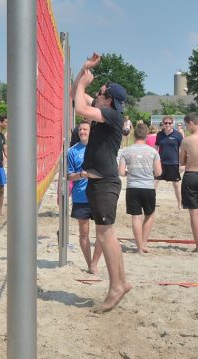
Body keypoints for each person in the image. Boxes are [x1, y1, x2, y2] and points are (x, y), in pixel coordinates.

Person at [73, 52, 131, 313]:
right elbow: (75, 93)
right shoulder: (103, 112)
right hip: (98, 183)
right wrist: (83, 71)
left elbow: (80, 107)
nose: (97, 91)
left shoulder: (112, 115)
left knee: (105, 235)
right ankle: (123, 283)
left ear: (109, 100)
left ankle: (116, 287)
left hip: (106, 182)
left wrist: (85, 84)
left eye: (102, 90)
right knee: (109, 235)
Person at [119, 123, 162, 254]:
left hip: (133, 187)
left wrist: (129, 173)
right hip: (148, 186)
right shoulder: (153, 151)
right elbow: (158, 172)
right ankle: (143, 243)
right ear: (146, 135)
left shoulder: (126, 151)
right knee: (149, 215)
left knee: (136, 217)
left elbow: (121, 172)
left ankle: (138, 247)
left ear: (133, 134)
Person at [67, 120, 102, 275]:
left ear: (91, 131)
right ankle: (89, 263)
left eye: (85, 129)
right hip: (80, 196)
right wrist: (81, 174)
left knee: (102, 232)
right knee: (84, 233)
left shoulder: (99, 148)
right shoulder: (72, 151)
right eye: (80, 129)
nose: (82, 132)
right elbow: (69, 176)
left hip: (99, 195)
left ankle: (94, 263)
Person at [155, 116, 183, 209]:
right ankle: (151, 202)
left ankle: (179, 204)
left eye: (169, 123)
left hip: (173, 163)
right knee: (154, 183)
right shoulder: (159, 134)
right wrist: (154, 160)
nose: (167, 125)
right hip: (161, 163)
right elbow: (156, 148)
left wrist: (181, 163)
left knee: (176, 184)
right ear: (162, 123)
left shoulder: (178, 134)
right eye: (165, 123)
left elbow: (182, 149)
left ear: (172, 123)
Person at [179, 113, 198, 252]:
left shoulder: (187, 140)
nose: (186, 127)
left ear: (191, 123)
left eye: (186, 124)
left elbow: (181, 161)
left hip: (191, 174)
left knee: (194, 213)